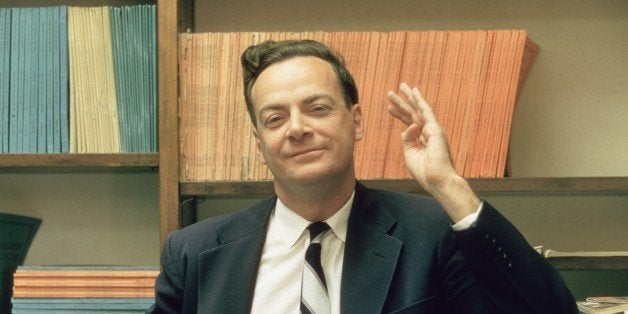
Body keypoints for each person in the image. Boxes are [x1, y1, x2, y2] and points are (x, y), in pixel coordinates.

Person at [148, 39, 577, 313]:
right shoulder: (194, 254)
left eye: (317, 108)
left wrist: (450, 186)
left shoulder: (431, 235)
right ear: (260, 146)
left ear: (356, 122)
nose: (297, 128)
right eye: (275, 118)